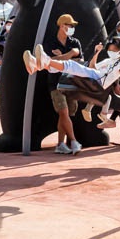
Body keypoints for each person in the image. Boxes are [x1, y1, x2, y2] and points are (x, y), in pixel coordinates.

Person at [46, 14, 83, 155]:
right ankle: (73, 141)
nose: (72, 28)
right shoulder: (50, 42)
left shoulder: (75, 42)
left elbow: (79, 58)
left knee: (66, 114)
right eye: (70, 25)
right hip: (55, 83)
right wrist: (69, 54)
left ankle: (61, 144)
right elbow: (49, 61)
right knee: (63, 111)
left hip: (71, 81)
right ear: (62, 26)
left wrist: (60, 57)